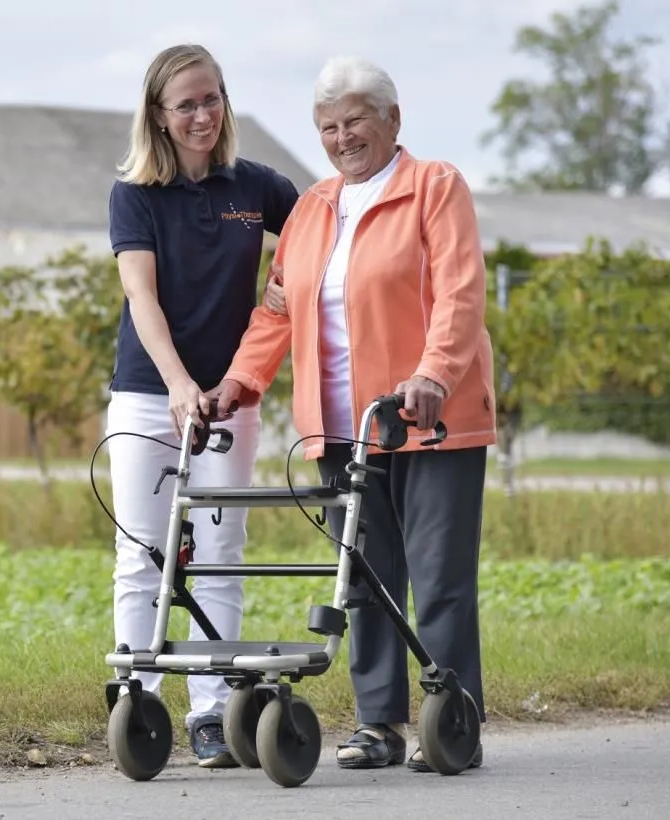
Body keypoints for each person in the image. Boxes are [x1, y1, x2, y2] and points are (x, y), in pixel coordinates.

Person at [211, 55, 497, 772]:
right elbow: (276, 311)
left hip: (429, 419)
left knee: (438, 580)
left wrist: (433, 373)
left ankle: (451, 717)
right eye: (329, 127)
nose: (342, 138)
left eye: (356, 122)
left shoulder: (434, 187)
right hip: (341, 428)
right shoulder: (311, 210)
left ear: (393, 121)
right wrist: (237, 384)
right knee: (363, 580)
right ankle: (379, 724)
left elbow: (461, 293)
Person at [105, 43, 299, 769]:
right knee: (143, 554)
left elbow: (320, 236)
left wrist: (280, 299)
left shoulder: (257, 187)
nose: (201, 115)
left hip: (228, 403)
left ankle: (213, 712)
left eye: (211, 98)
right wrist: (179, 384)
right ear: (158, 113)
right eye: (185, 103)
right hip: (148, 398)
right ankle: (137, 696)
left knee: (219, 554)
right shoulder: (134, 193)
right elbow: (140, 296)